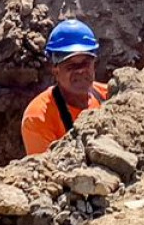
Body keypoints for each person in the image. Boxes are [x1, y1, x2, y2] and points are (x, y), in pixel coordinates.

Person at [20, 19, 109, 156]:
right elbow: (46, 173)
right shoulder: (38, 118)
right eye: (71, 66)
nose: (80, 71)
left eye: (85, 63)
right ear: (55, 70)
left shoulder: (109, 96)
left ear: (94, 64)